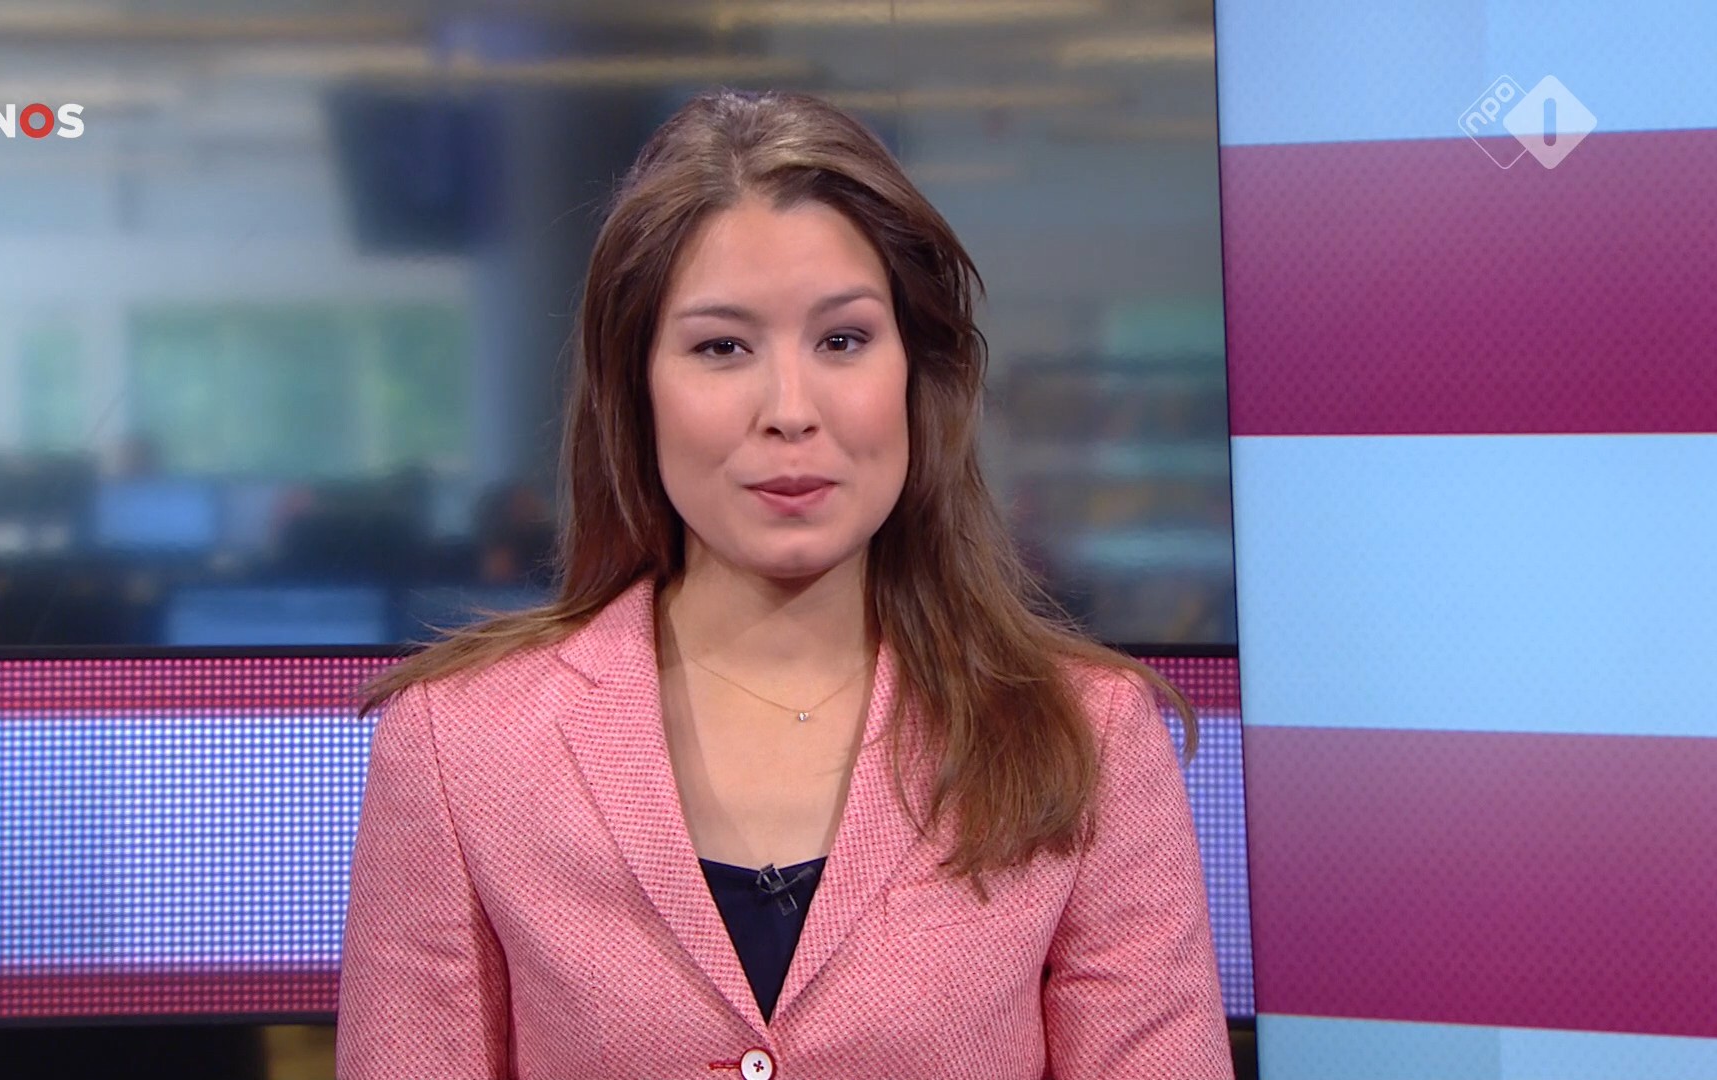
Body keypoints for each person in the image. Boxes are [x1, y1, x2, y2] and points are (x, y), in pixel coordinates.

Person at [336, 88, 1232, 1080]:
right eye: (722, 347)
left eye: (842, 340)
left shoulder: (1086, 735)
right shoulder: (463, 746)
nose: (790, 409)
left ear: (915, 373)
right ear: (636, 388)